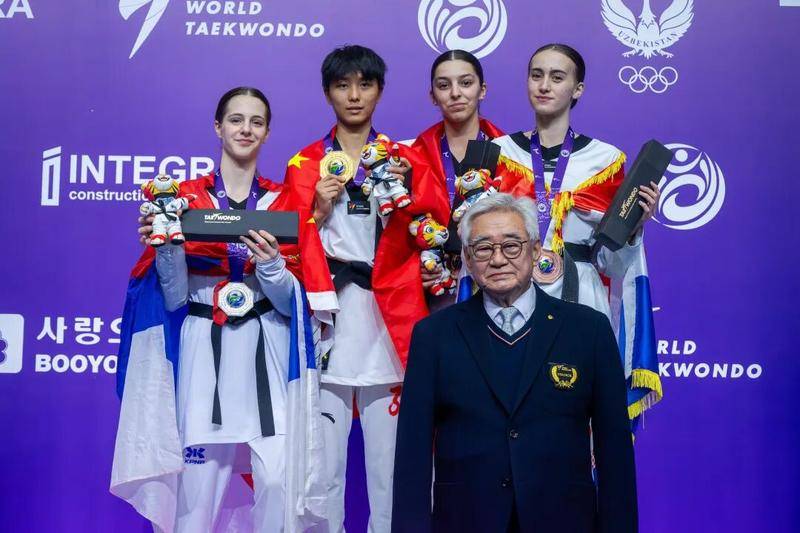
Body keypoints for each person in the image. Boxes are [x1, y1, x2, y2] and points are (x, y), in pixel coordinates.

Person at [111, 87, 329, 532]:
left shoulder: (286, 203)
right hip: (202, 349)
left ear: (267, 133)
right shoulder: (183, 200)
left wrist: (271, 266)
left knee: (278, 481)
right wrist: (166, 248)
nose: (246, 129)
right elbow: (173, 297)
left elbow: (294, 304)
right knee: (196, 494)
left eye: (256, 121)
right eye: (236, 119)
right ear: (218, 127)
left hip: (268, 348)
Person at [392, 193, 638, 533]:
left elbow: (615, 453)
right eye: (483, 248)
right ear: (467, 258)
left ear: (535, 251)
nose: (498, 259)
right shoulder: (434, 335)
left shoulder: (589, 330)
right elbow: (412, 455)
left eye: (511, 246)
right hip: (465, 521)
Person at [271, 45, 437, 532]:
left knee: (390, 469)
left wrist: (408, 195)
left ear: (380, 91)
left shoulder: (404, 159)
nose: (354, 95)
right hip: (329, 323)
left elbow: (436, 227)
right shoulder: (305, 164)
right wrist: (316, 212)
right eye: (343, 86)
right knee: (322, 469)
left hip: (391, 322)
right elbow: (284, 248)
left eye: (365, 85)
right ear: (328, 93)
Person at [492, 43, 661, 425]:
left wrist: (635, 227)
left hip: (581, 297)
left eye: (557, 77)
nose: (544, 85)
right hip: (508, 296)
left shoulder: (606, 160)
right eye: (536, 75)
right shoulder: (499, 153)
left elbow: (610, 263)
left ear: (577, 88)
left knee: (576, 415)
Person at [409, 49, 504, 309]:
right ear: (433, 96)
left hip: (495, 285)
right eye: (444, 85)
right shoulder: (414, 156)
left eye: (466, 82)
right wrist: (417, 270)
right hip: (438, 290)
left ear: (482, 90)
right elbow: (399, 236)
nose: (455, 93)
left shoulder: (508, 154)